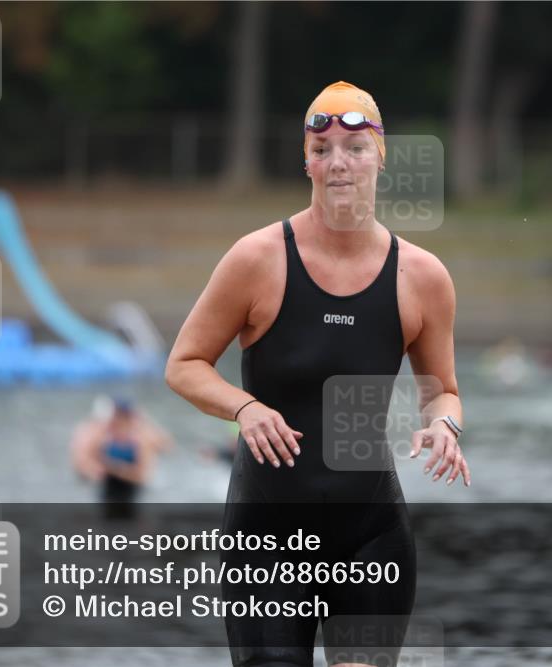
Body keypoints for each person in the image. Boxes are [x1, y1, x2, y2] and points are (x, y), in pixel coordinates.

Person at [166, 81, 469, 667]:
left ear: (380, 156)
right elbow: (183, 364)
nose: (338, 163)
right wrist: (245, 407)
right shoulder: (256, 259)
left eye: (354, 148)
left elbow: (446, 392)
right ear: (305, 161)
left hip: (371, 535)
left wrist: (445, 428)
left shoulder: (423, 277)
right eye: (321, 147)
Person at [70, 396, 172, 509]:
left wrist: (113, 468)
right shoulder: (101, 433)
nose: (117, 421)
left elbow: (143, 474)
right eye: (116, 416)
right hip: (109, 487)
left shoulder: (141, 435)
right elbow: (83, 463)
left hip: (132, 490)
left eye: (121, 417)